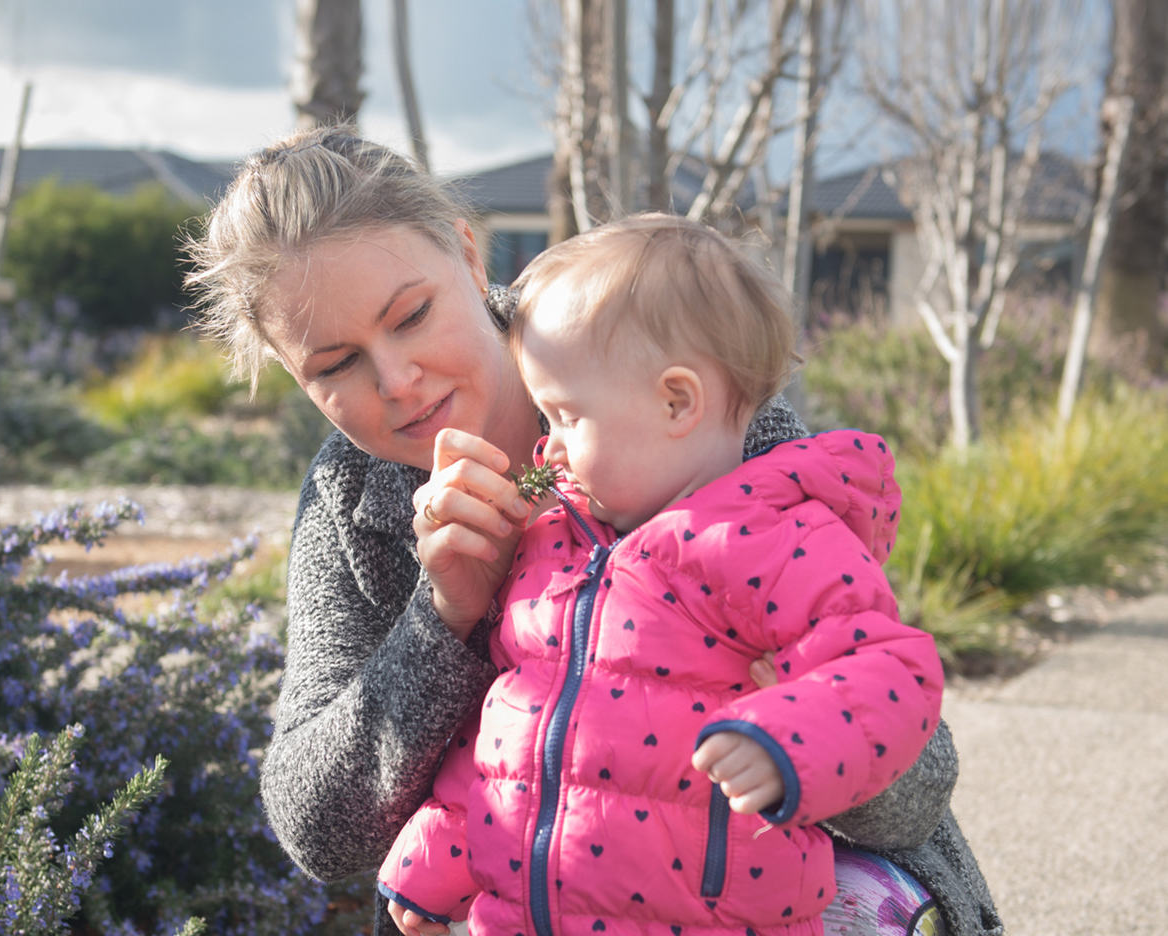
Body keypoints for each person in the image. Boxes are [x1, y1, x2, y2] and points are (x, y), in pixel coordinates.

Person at [181, 125, 1001, 936]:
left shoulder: (677, 395)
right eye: (334, 366)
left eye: (413, 316)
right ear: (295, 377)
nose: (397, 381)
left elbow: (916, 790)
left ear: (470, 257)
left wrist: (752, 685)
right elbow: (318, 831)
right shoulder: (350, 498)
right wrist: (444, 620)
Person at [375, 217, 945, 936]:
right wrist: (449, 844)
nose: (545, 444)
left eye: (565, 415)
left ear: (677, 401)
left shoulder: (774, 538)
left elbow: (888, 667)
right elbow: (514, 717)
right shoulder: (553, 540)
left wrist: (787, 740)